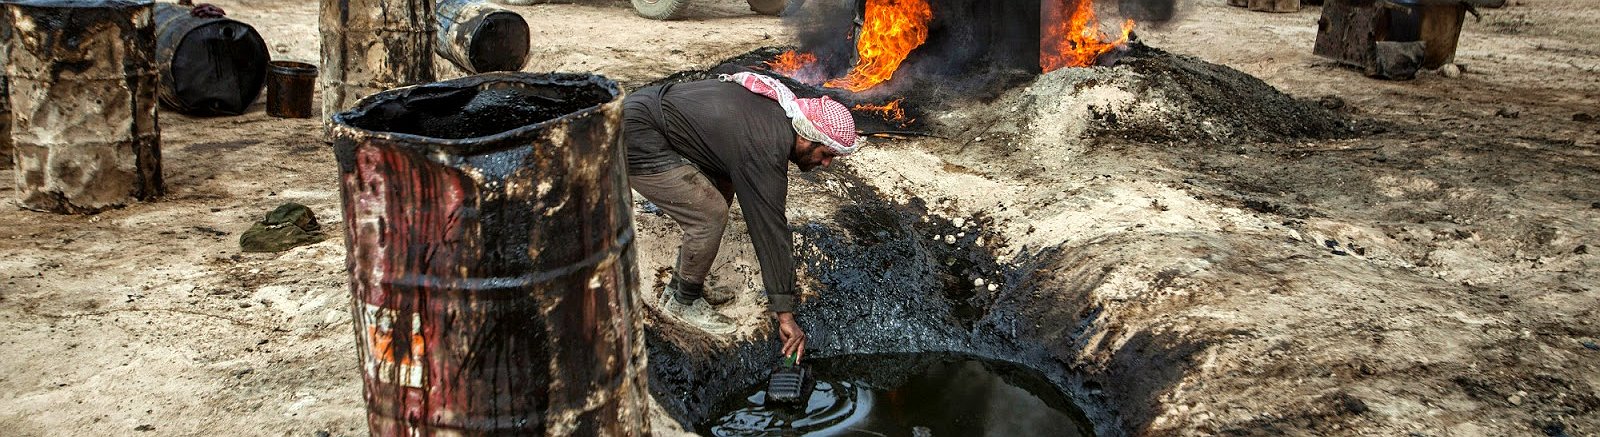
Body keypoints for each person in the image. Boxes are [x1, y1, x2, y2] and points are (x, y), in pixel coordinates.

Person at [622, 71, 862, 363]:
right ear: (806, 136)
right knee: (708, 214)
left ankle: (682, 284)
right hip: (636, 136)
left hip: (643, 114)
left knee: (718, 194)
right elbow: (771, 231)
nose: (825, 163)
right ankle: (683, 302)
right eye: (826, 154)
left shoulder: (777, 117)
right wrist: (784, 315)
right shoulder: (766, 144)